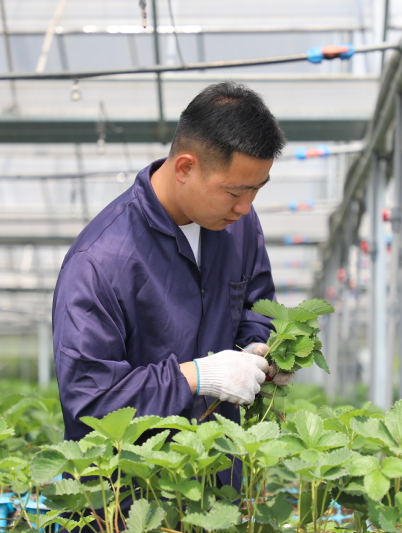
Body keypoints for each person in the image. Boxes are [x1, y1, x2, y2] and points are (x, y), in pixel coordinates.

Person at [51, 81, 288, 496]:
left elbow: (256, 305)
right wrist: (195, 377)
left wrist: (257, 349)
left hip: (218, 486)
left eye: (256, 189)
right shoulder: (100, 262)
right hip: (129, 501)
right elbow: (90, 402)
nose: (246, 207)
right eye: (235, 191)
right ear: (185, 168)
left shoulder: (238, 227)